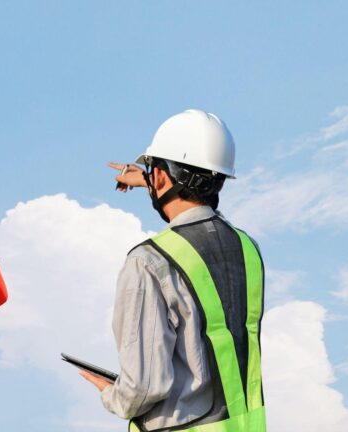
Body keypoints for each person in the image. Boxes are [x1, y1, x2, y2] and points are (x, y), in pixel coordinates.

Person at [81, 109, 266, 431]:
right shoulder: (247, 249)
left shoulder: (148, 261)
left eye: (154, 170)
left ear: (163, 177)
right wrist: (154, 177)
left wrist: (113, 394)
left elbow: (143, 388)